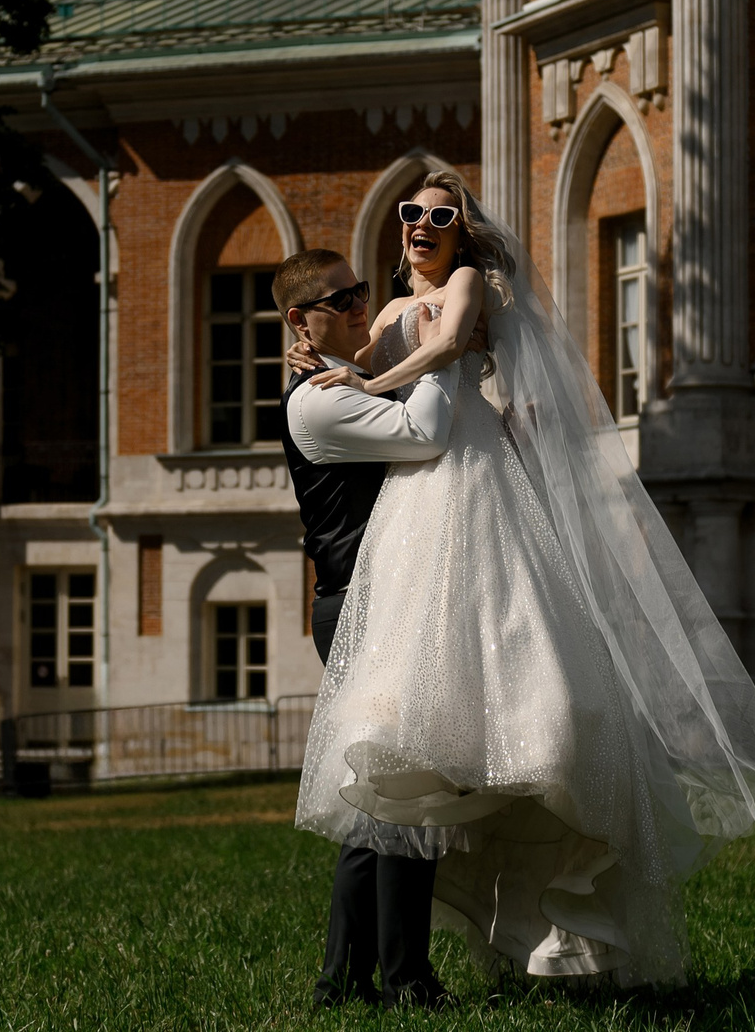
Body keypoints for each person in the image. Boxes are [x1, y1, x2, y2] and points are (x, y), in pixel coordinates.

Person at [291, 169, 755, 986]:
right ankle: (373, 963)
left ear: (463, 230)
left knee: (519, 669)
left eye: (441, 214)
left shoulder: (468, 281)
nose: (423, 224)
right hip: (413, 511)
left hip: (474, 484)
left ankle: (483, 901)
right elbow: (355, 360)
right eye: (412, 213)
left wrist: (368, 377)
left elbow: (448, 347)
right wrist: (324, 357)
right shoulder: (386, 310)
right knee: (407, 723)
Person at [269, 247, 459, 1009]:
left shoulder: (334, 381)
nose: (357, 306)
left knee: (380, 799)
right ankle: (403, 977)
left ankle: (347, 980)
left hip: (373, 599)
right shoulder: (320, 397)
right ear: (299, 318)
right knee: (401, 791)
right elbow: (427, 433)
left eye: (361, 291)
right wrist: (442, 343)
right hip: (359, 605)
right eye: (338, 297)